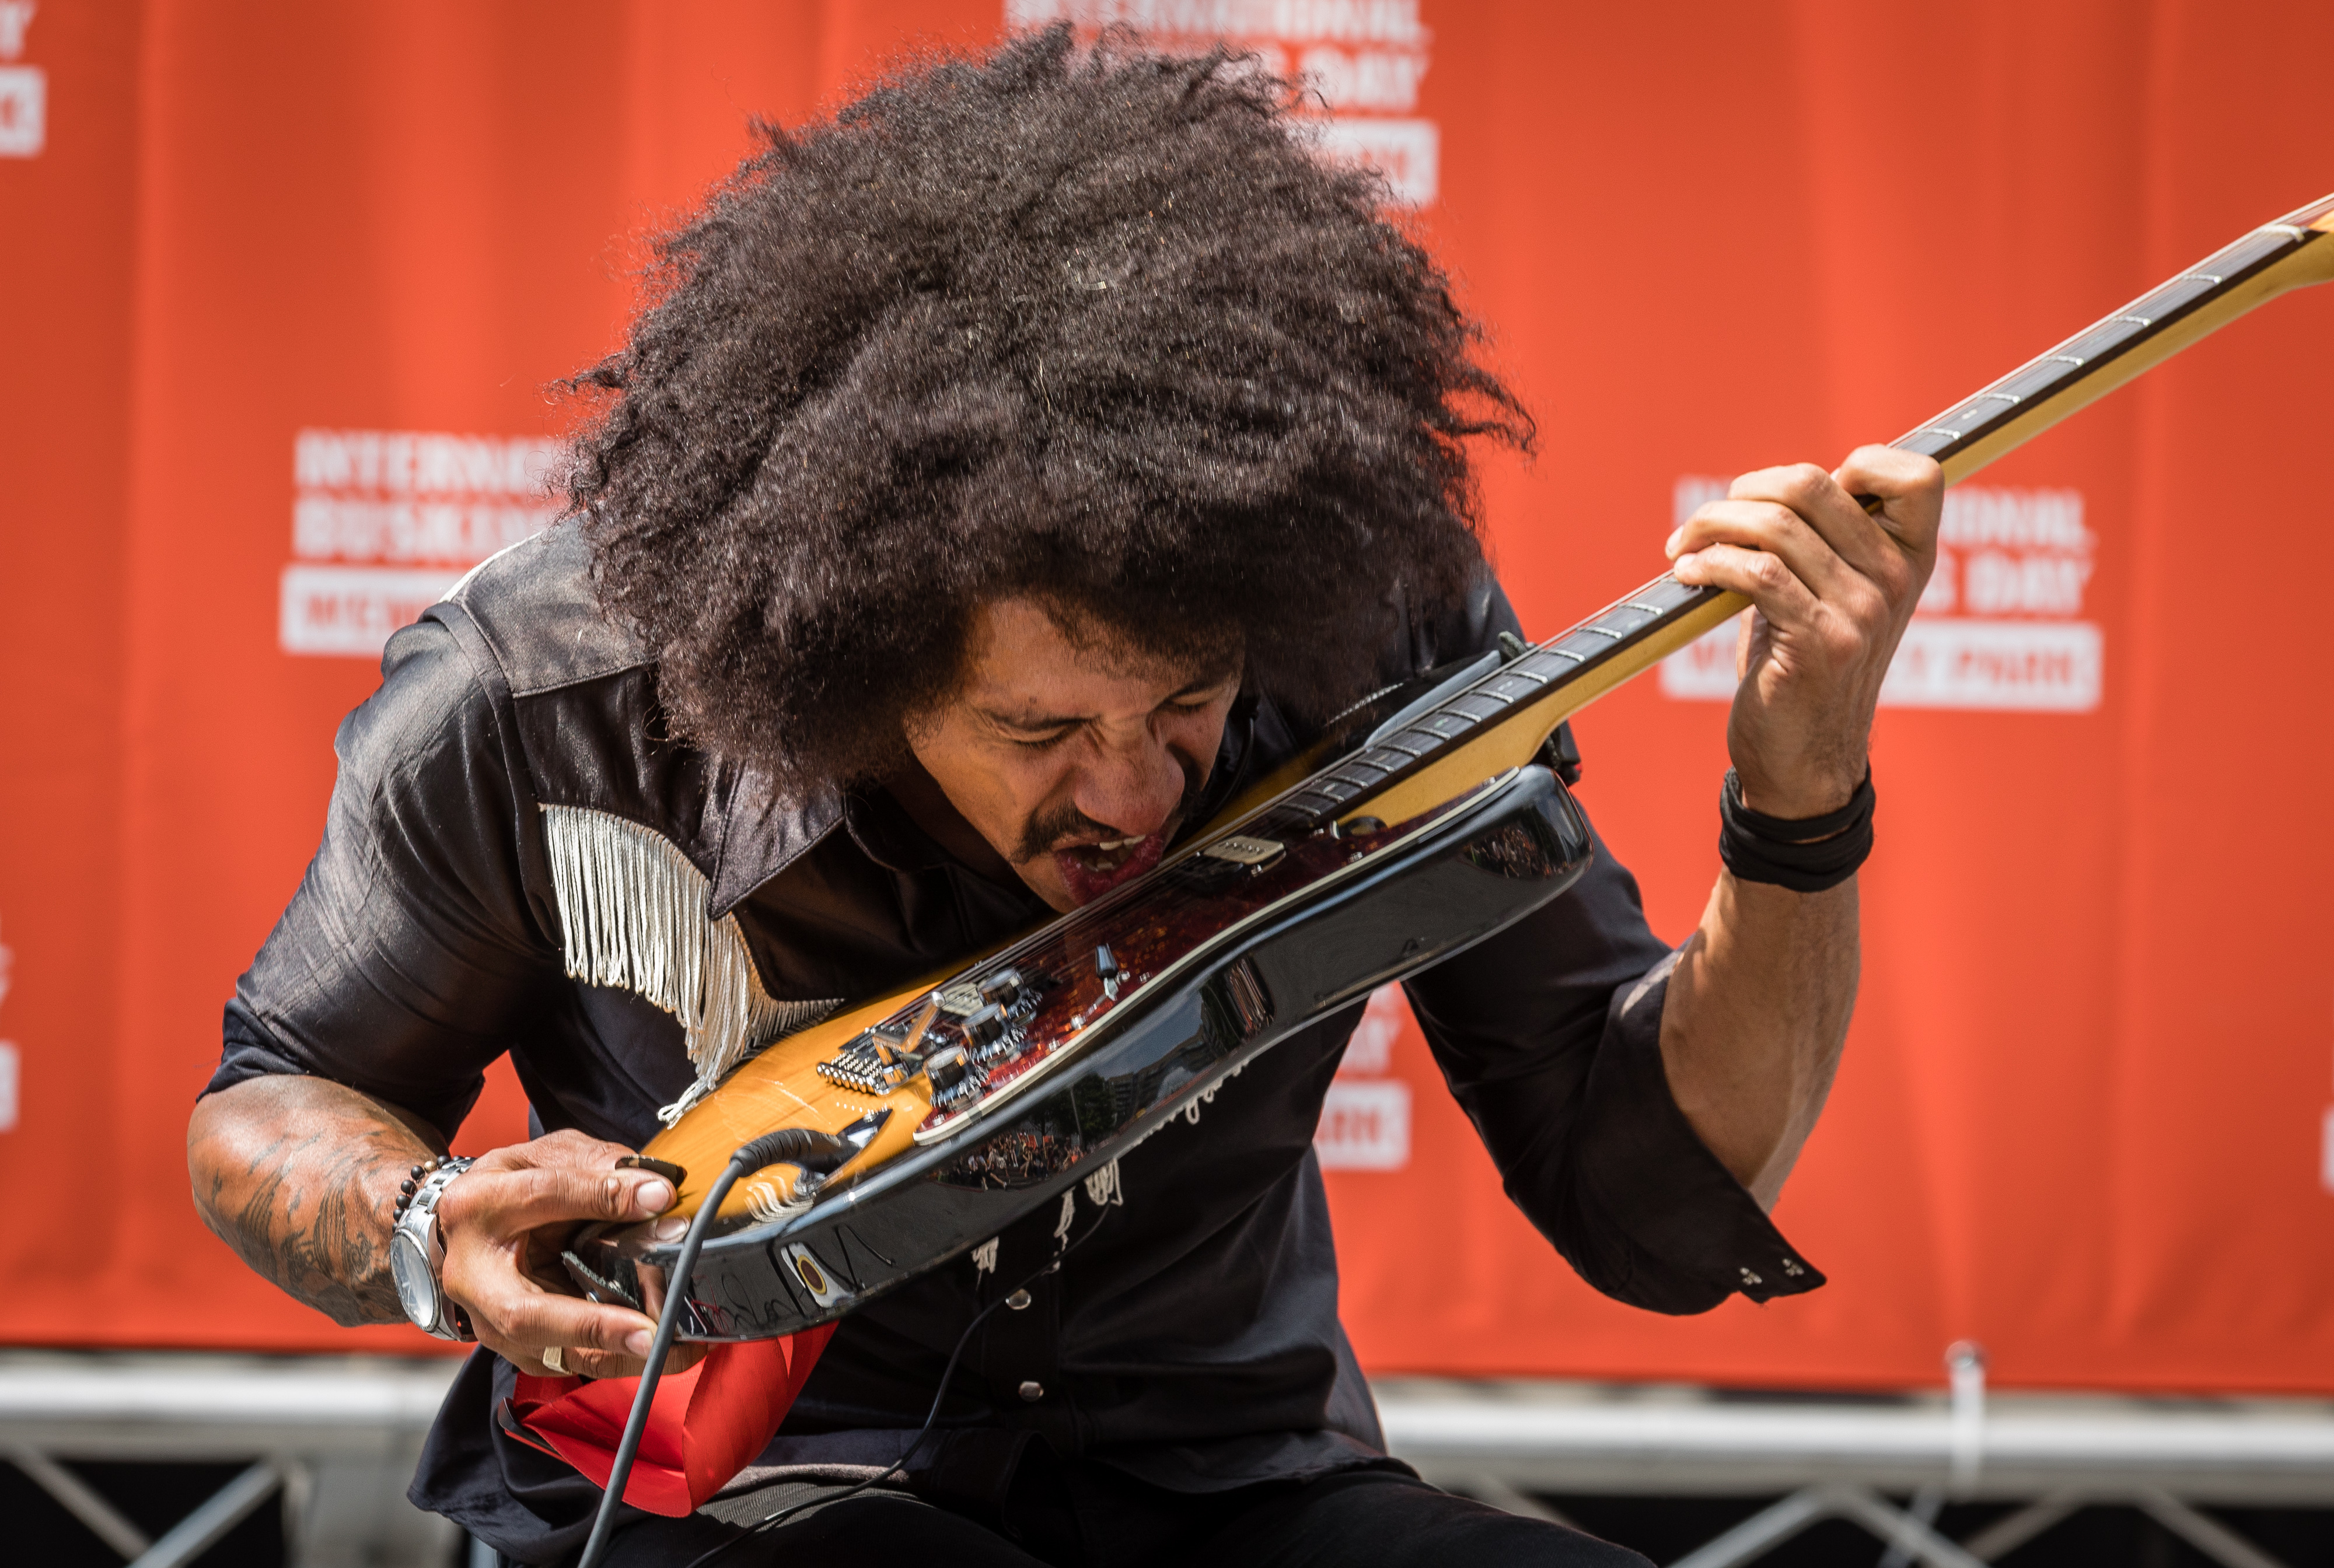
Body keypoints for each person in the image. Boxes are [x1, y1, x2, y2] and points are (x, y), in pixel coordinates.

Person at [187, 26, 1938, 1568]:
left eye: (1189, 702)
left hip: (1227, 1480)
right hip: (735, 1500)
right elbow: (280, 1096)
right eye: (1039, 727)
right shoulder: (549, 692)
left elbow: (1651, 1206)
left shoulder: (1369, 635)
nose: (1128, 791)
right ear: (853, 658)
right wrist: (422, 1227)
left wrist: (1801, 794)